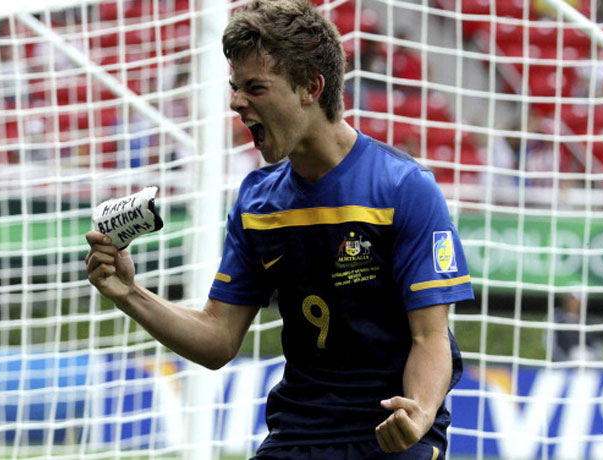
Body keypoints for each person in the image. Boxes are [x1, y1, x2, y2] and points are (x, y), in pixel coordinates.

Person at [85, 0, 474, 458]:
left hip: (391, 431)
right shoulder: (257, 201)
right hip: (300, 432)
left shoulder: (401, 188)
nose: (235, 102)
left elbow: (430, 337)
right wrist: (129, 293)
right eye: (235, 87)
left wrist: (420, 412)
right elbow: (217, 340)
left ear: (310, 87)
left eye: (255, 87)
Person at [550, 292, 603, 362]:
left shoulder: (589, 322)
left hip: (587, 366)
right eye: (571, 299)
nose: (573, 303)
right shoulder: (556, 318)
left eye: (576, 300)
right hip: (563, 366)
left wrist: (593, 360)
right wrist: (566, 361)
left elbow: (598, 346)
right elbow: (551, 345)